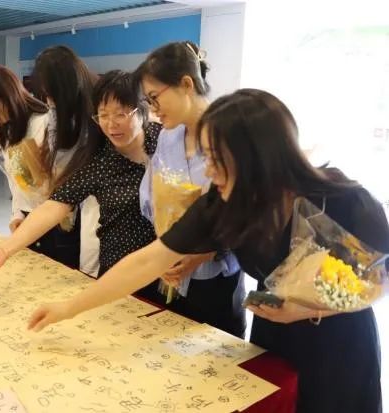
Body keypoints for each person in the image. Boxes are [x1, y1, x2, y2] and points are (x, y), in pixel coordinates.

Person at [28, 89, 388, 413]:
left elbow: (380, 279)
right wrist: (68, 308)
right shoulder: (225, 200)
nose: (209, 170)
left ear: (257, 157)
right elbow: (151, 259)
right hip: (274, 334)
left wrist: (308, 308)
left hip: (339, 342)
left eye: (216, 158)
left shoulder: (345, 200)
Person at [0, 70, 162, 287]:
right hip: (120, 274)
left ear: (142, 110)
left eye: (121, 114)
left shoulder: (166, 141)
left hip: (169, 270)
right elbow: (54, 205)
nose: (111, 125)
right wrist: (5, 249)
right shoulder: (99, 161)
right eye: (103, 115)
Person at [136, 41, 245, 337]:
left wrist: (200, 254)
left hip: (215, 280)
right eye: (148, 101)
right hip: (171, 269)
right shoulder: (167, 137)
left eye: (155, 98)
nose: (153, 109)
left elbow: (243, 215)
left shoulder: (230, 135)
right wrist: (167, 247)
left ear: (186, 84)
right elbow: (153, 198)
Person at [0, 65, 80, 268]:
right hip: (28, 221)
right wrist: (18, 213)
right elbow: (16, 182)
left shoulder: (44, 123)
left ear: (8, 96)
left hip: (58, 222)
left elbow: (64, 183)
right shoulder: (6, 131)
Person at [30, 45, 101, 276]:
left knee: (89, 269)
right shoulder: (56, 109)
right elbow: (56, 149)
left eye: (52, 92)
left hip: (92, 204)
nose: (48, 99)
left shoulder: (96, 104)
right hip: (66, 204)